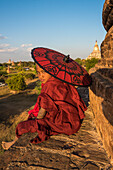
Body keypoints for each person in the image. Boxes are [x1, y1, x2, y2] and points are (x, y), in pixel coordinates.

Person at [2, 47, 91, 150]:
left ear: (52, 71)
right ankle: (14, 141)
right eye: (38, 73)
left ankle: (14, 142)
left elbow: (43, 110)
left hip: (61, 122)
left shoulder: (50, 85)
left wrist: (38, 121)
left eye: (43, 72)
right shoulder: (61, 81)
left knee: (22, 126)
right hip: (71, 119)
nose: (40, 76)